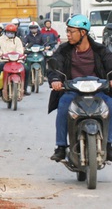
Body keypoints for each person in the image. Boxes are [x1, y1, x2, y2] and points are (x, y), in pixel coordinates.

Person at [47, 14, 112, 162]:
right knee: (63, 106)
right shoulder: (63, 50)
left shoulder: (100, 50)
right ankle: (61, 147)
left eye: (71, 31)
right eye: (67, 31)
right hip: (72, 91)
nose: (68, 35)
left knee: (111, 106)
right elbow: (55, 65)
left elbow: (110, 64)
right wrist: (55, 80)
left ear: (83, 33)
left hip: (98, 90)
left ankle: (109, 145)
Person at [0, 23, 31, 95]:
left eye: (12, 33)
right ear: (5, 32)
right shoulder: (0, 39)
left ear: (15, 33)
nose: (10, 34)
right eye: (8, 32)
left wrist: (19, 56)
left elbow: (20, 51)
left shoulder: (18, 40)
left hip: (17, 61)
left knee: (27, 69)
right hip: (4, 61)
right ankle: (0, 90)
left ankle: (24, 88)